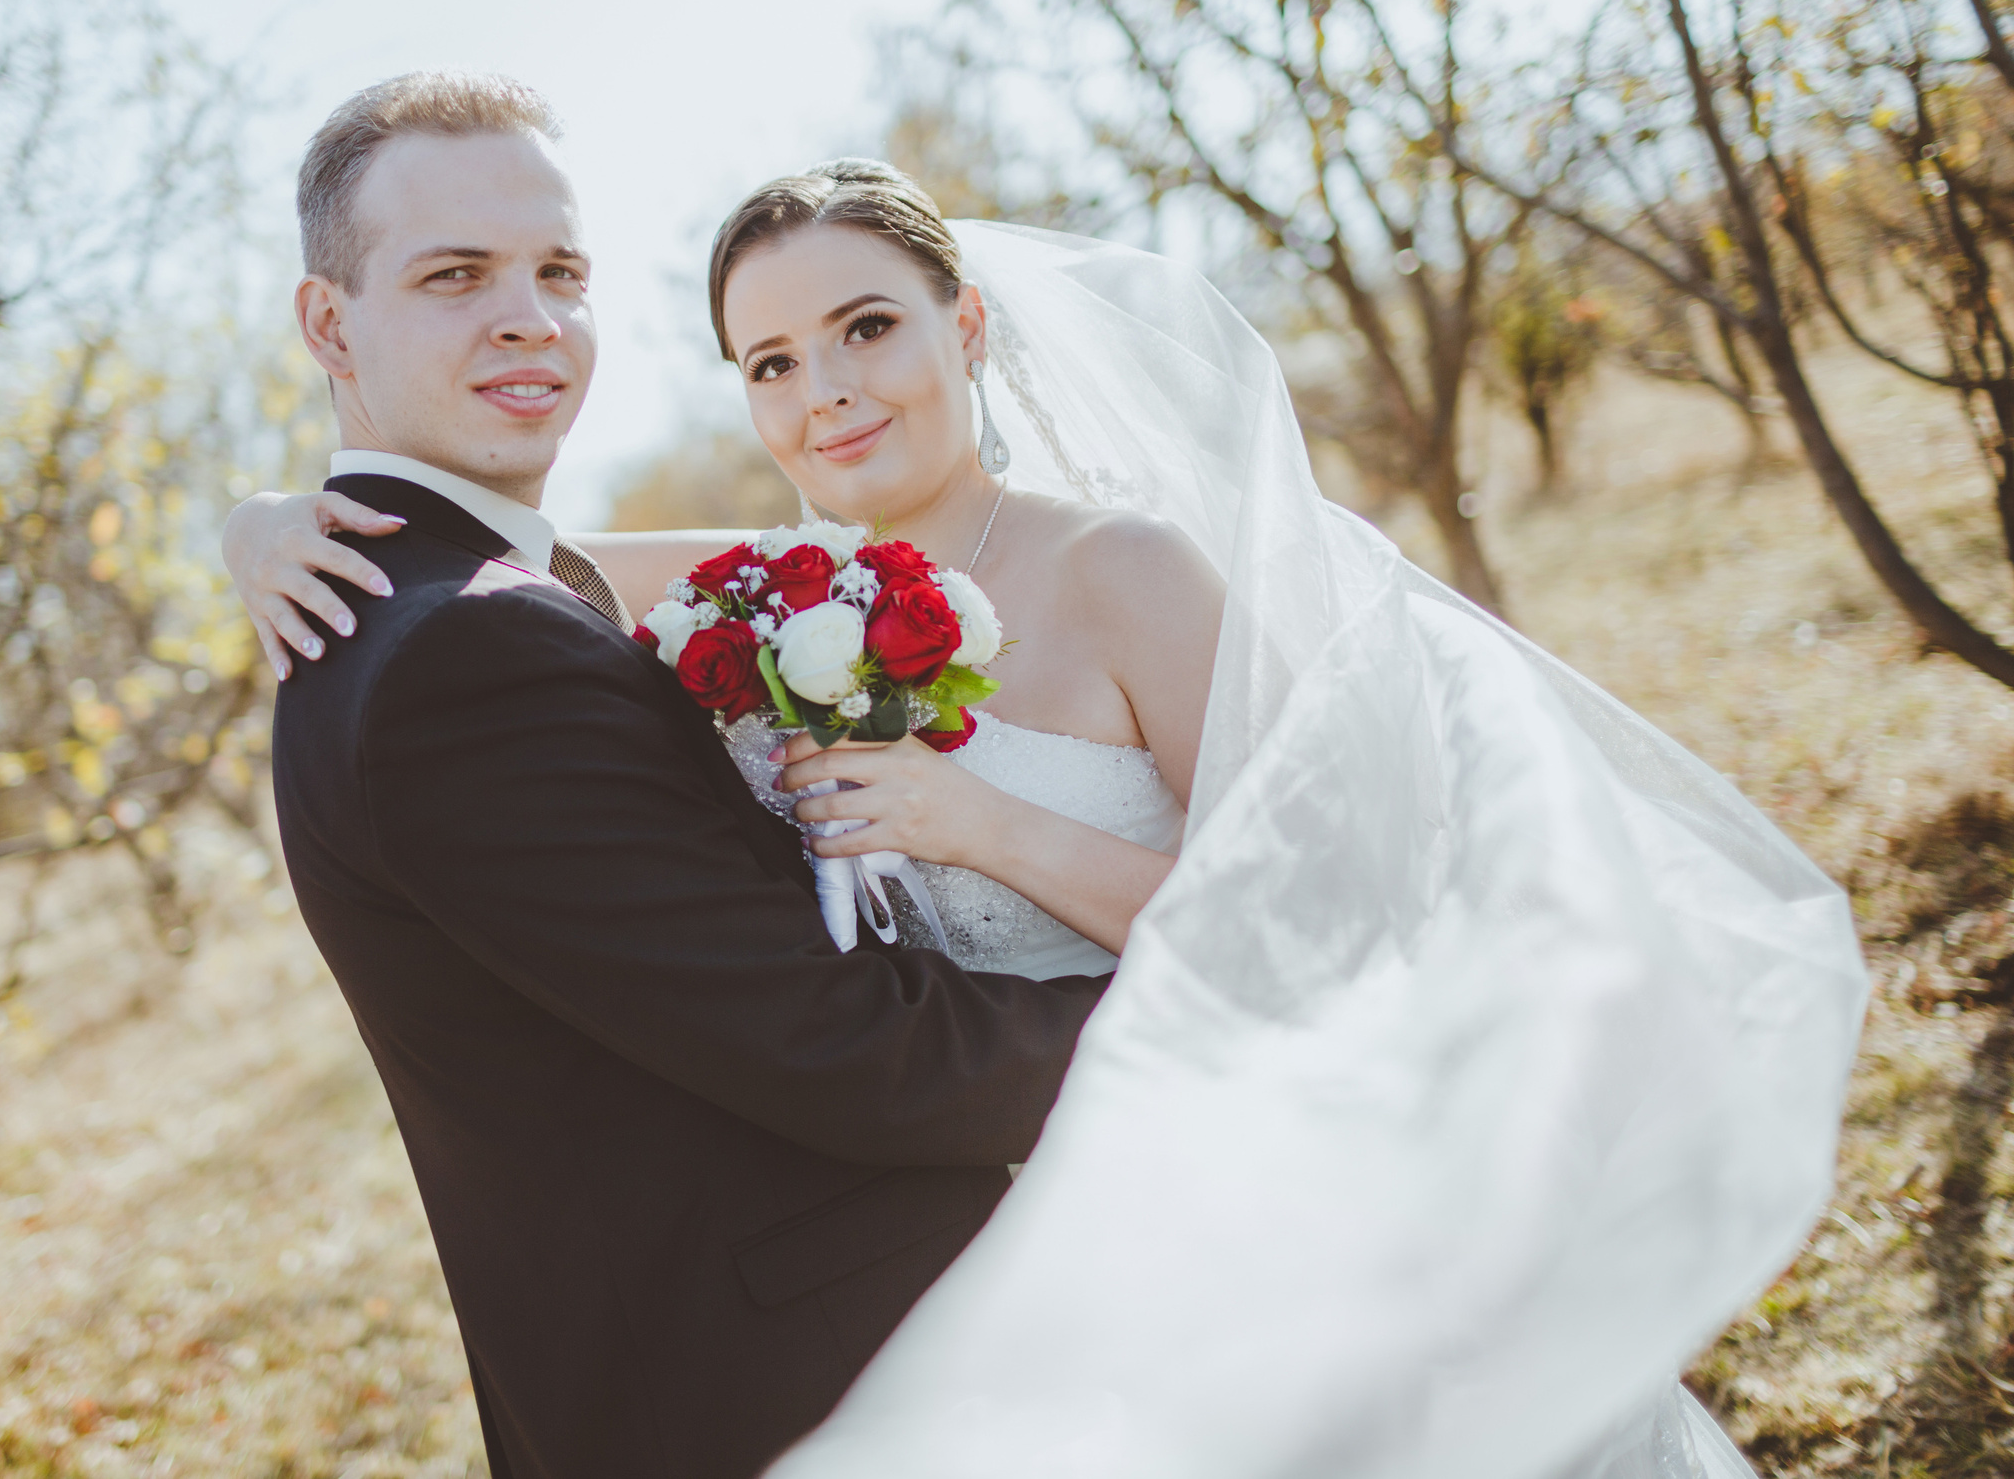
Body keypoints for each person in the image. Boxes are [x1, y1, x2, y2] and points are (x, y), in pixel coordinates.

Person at [234, 142, 1870, 1478]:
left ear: (971, 328)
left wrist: (984, 826)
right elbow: (522, 570)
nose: (826, 396)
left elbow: (1339, 927)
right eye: (771, 363)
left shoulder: (1123, 574)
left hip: (1239, 1191)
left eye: (868, 328)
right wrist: (276, 519)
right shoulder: (769, 603)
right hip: (1035, 1262)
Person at [252, 71, 1107, 1479]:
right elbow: (845, 1048)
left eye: (559, 270)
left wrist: (269, 516)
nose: (528, 316)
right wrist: (1201, 1012)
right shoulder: (460, 655)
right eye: (456, 275)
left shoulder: (416, 606)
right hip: (817, 1399)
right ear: (329, 322)